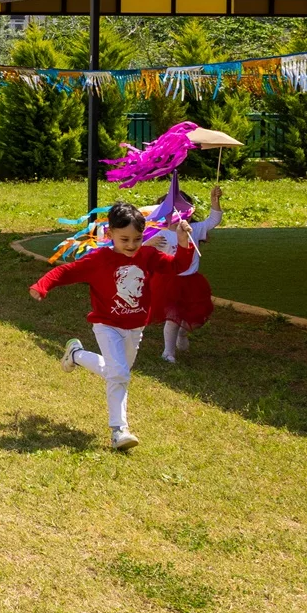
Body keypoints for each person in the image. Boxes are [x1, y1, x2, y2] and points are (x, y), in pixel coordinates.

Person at [32, 202, 195, 451]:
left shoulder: (148, 256)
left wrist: (183, 243)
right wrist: (42, 285)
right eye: (124, 239)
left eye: (137, 239)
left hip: (136, 327)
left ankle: (76, 354)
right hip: (106, 324)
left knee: (116, 372)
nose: (131, 245)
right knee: (119, 374)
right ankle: (119, 430)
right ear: (110, 234)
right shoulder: (99, 259)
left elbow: (177, 266)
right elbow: (66, 272)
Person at [148, 185, 223, 363]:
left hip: (192, 281)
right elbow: (137, 250)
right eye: (173, 210)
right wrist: (148, 243)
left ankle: (182, 334)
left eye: (183, 210)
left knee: (195, 319)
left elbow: (214, 220)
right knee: (172, 318)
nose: (178, 215)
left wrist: (215, 200)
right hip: (168, 282)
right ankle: (168, 352)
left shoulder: (193, 229)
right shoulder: (158, 233)